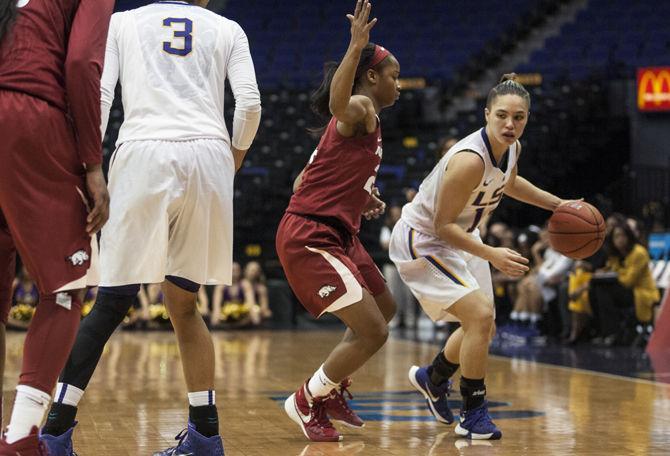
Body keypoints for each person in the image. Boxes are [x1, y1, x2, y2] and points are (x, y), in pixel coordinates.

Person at [39, 1, 261, 454]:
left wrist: (89, 166)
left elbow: (98, 96)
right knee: (183, 302)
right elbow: (251, 106)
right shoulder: (227, 27)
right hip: (209, 157)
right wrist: (229, 163)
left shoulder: (122, 22)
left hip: (144, 153)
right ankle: (205, 436)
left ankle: (55, 433)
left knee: (112, 301)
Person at [390, 74, 573, 440]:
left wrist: (560, 205)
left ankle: (434, 377)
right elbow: (441, 225)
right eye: (502, 115)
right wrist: (491, 254)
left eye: (519, 117)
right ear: (487, 114)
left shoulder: (511, 149)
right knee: (481, 315)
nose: (510, 124)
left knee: (482, 325)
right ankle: (472, 412)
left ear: (527, 118)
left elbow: (511, 182)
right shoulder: (470, 159)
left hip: (460, 237)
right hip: (424, 239)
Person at [275, 0, 400, 442]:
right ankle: (308, 398)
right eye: (394, 76)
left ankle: (331, 388)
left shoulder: (366, 126)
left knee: (386, 308)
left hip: (340, 232)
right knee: (374, 331)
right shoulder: (361, 106)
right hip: (311, 236)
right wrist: (356, 46)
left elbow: (299, 181)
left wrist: (359, 195)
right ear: (371, 76)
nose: (399, 85)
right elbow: (338, 102)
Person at [0, 0, 112, 452]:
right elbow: (83, 61)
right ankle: (23, 435)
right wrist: (91, 161)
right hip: (29, 120)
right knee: (66, 286)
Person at [590, 223, 660, 346]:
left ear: (629, 236)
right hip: (625, 293)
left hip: (641, 293)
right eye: (616, 236)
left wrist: (616, 272)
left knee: (604, 291)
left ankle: (611, 333)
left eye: (623, 235)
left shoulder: (639, 252)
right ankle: (603, 331)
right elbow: (610, 270)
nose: (620, 239)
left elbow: (629, 281)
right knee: (595, 289)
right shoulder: (615, 255)